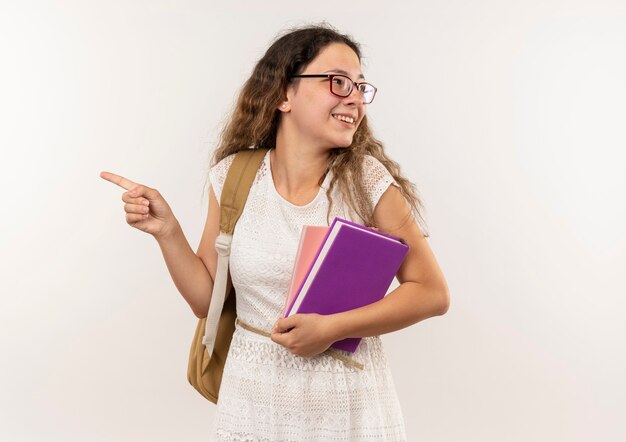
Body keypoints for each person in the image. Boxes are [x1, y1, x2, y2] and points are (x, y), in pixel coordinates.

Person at [100, 23, 450, 441]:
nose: (355, 98)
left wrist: (332, 328)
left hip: (348, 405)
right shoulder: (234, 176)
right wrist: (167, 231)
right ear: (283, 93)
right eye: (339, 83)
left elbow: (431, 292)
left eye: (360, 87)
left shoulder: (365, 181)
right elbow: (205, 300)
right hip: (252, 401)